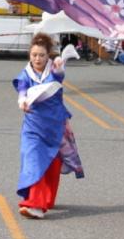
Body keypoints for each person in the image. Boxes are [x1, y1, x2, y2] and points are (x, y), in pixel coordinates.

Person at [14, 33, 84, 219]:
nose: (37, 59)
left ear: (48, 56)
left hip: (55, 125)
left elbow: (59, 76)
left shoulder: (54, 69)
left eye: (41, 55)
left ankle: (47, 199)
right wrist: (22, 101)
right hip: (33, 126)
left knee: (52, 163)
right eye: (34, 55)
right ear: (29, 55)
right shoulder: (25, 74)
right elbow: (22, 90)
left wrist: (60, 67)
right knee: (33, 160)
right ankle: (35, 205)